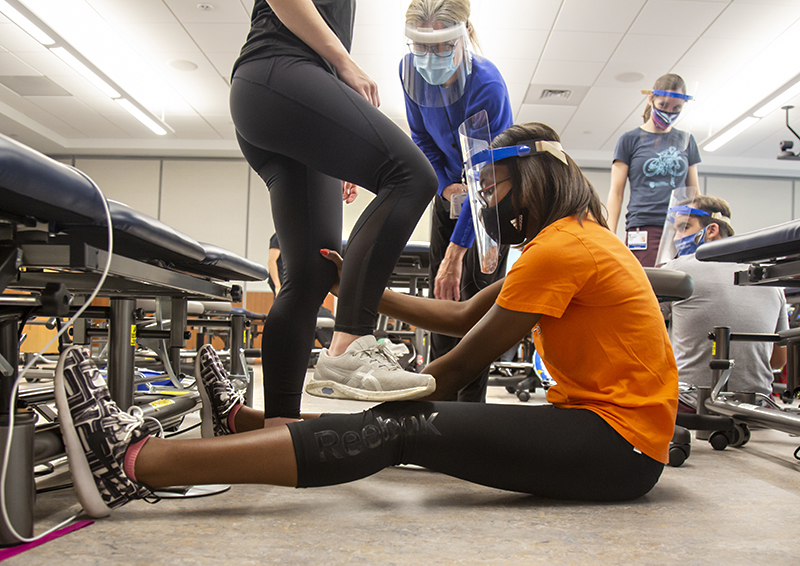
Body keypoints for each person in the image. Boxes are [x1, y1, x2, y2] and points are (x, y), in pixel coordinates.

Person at [56, 122, 678, 519]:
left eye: (495, 188)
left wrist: (357, 380)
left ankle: (137, 461)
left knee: (403, 426)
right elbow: (462, 314)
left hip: (618, 448)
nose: (490, 203)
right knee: (402, 421)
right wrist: (356, 290)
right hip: (605, 433)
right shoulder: (572, 240)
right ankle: (239, 425)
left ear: (536, 177)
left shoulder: (563, 250)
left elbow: (459, 362)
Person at [229, 0, 440, 418]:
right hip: (280, 70)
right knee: (414, 176)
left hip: (276, 96)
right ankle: (348, 344)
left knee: (311, 275)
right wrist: (344, 63)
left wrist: (333, 138)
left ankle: (279, 432)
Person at [401, 0, 513, 402]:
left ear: (462, 37)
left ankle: (470, 408)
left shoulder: (487, 86)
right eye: (421, 47)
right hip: (450, 192)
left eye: (441, 46)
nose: (430, 58)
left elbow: (485, 174)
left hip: (491, 198)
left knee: (476, 300)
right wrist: (446, 185)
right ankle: (438, 399)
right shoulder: (408, 71)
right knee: (442, 296)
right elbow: (421, 138)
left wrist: (456, 254)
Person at [658, 195, 787, 407]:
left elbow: (644, 338)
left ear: (712, 230)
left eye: (684, 227)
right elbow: (778, 361)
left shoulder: (678, 271)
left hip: (690, 405)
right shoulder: (768, 276)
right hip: (758, 409)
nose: (676, 238)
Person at [607, 73, 701, 267]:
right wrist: (609, 234)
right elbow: (616, 192)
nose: (669, 112)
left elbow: (695, 192)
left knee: (680, 285)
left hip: (679, 227)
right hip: (643, 226)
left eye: (677, 108)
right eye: (663, 105)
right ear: (651, 99)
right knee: (649, 284)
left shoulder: (687, 141)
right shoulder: (630, 140)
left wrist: (701, 227)